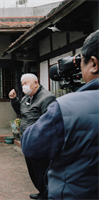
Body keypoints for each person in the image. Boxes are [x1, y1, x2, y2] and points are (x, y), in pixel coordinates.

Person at [21, 30, 99, 200]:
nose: (23, 86)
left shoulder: (65, 106)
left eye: (81, 62)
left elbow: (31, 145)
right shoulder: (26, 98)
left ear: (93, 63)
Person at [9, 74, 56, 200]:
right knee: (33, 170)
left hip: (40, 142)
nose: (24, 86)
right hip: (27, 140)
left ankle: (47, 194)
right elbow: (21, 110)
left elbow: (49, 121)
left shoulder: (47, 97)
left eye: (26, 83)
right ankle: (42, 191)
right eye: (22, 83)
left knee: (41, 170)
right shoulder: (26, 98)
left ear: (36, 83)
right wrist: (14, 99)